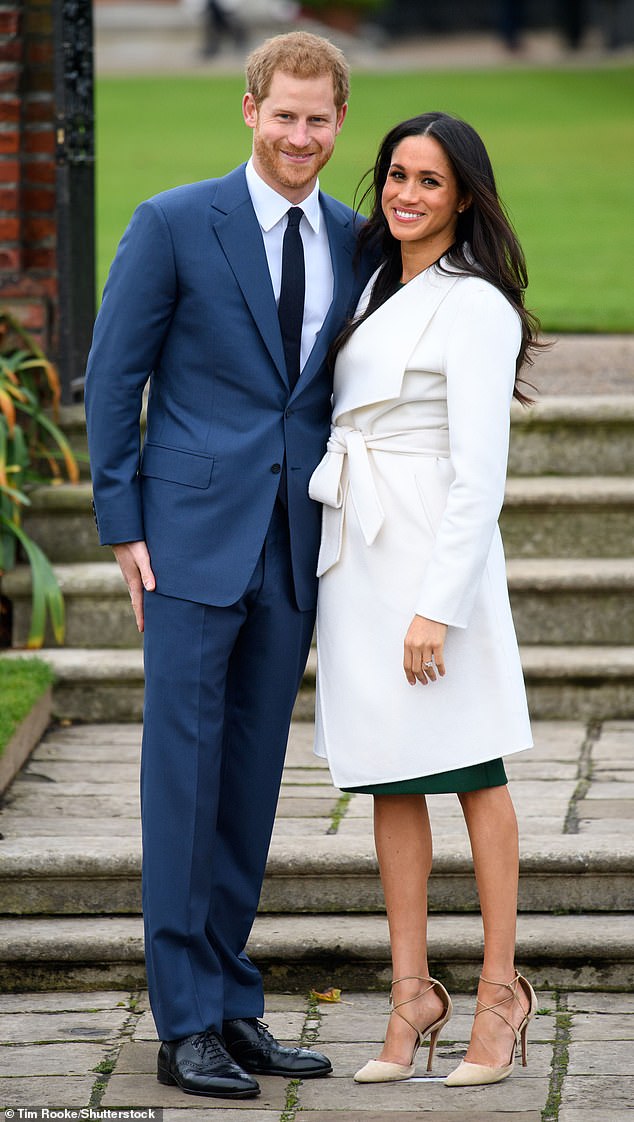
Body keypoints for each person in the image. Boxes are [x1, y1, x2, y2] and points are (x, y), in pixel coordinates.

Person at [85, 31, 375, 1101]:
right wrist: (124, 526)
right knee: (183, 780)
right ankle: (184, 1022)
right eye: (283, 114)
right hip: (187, 545)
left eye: (319, 118)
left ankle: (230, 998)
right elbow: (112, 380)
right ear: (249, 111)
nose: (300, 135)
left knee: (249, 786)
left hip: (295, 550)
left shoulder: (354, 238)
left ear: (339, 123)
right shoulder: (172, 223)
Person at [309, 111, 539, 1089]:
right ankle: (412, 996)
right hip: (358, 555)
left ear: (464, 198)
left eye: (429, 182)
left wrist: (436, 608)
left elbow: (478, 473)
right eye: (396, 174)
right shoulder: (368, 281)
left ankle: (498, 992)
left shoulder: (475, 304)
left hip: (432, 565)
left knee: (473, 771)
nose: (405, 194)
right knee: (388, 777)